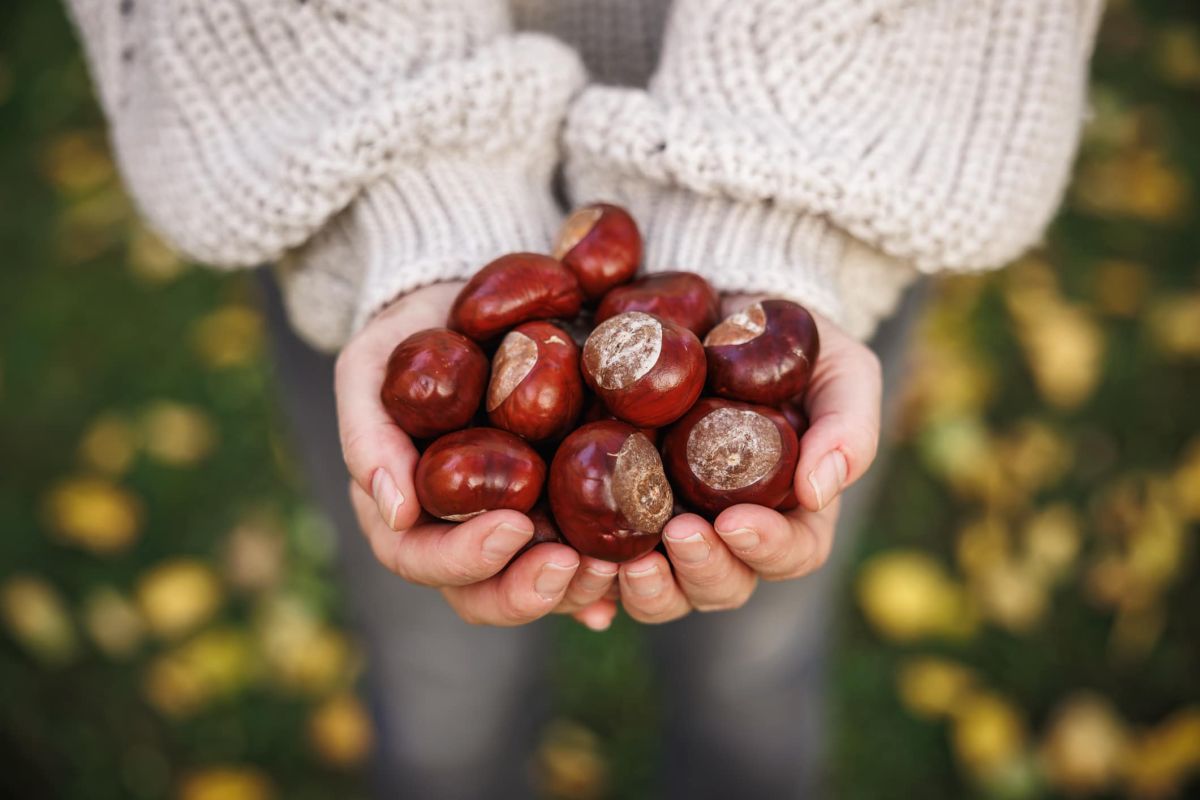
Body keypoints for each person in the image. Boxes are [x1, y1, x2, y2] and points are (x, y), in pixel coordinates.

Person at [66, 1, 1103, 797]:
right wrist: (394, 192)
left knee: (754, 668)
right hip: (354, 193)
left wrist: (787, 202)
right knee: (440, 696)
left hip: (852, 160)